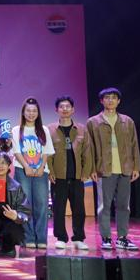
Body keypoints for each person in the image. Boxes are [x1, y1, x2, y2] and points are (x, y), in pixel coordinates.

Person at [87, 88, 140, 251]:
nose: (110, 100)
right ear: (101, 101)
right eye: (107, 97)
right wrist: (91, 169)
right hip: (104, 169)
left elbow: (134, 144)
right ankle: (105, 238)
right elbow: (89, 148)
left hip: (125, 168)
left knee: (124, 205)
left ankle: (122, 238)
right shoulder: (93, 122)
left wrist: (136, 166)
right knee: (104, 206)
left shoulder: (127, 121)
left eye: (113, 98)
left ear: (118, 101)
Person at [48, 96, 93, 250]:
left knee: (79, 209)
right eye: (62, 106)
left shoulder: (81, 129)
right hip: (58, 176)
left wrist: (86, 171)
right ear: (57, 110)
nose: (65, 109)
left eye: (68, 106)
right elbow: (48, 153)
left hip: (77, 176)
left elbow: (87, 152)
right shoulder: (50, 129)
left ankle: (79, 238)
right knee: (58, 209)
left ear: (73, 110)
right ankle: (61, 237)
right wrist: (50, 171)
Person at [12, 97, 55, 249]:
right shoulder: (16, 130)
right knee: (26, 204)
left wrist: (42, 166)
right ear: (23, 112)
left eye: (34, 111)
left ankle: (41, 238)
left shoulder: (44, 130)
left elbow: (47, 151)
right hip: (22, 169)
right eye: (28, 111)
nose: (31, 113)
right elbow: (16, 151)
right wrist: (26, 166)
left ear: (38, 113)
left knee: (41, 204)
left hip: (41, 170)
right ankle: (28, 237)